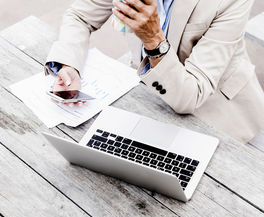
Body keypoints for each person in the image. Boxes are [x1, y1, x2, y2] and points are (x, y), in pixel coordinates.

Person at [45, 0, 264, 145]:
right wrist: (69, 65)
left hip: (221, 114)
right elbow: (80, 16)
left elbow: (191, 95)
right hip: (151, 101)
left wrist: (153, 39)